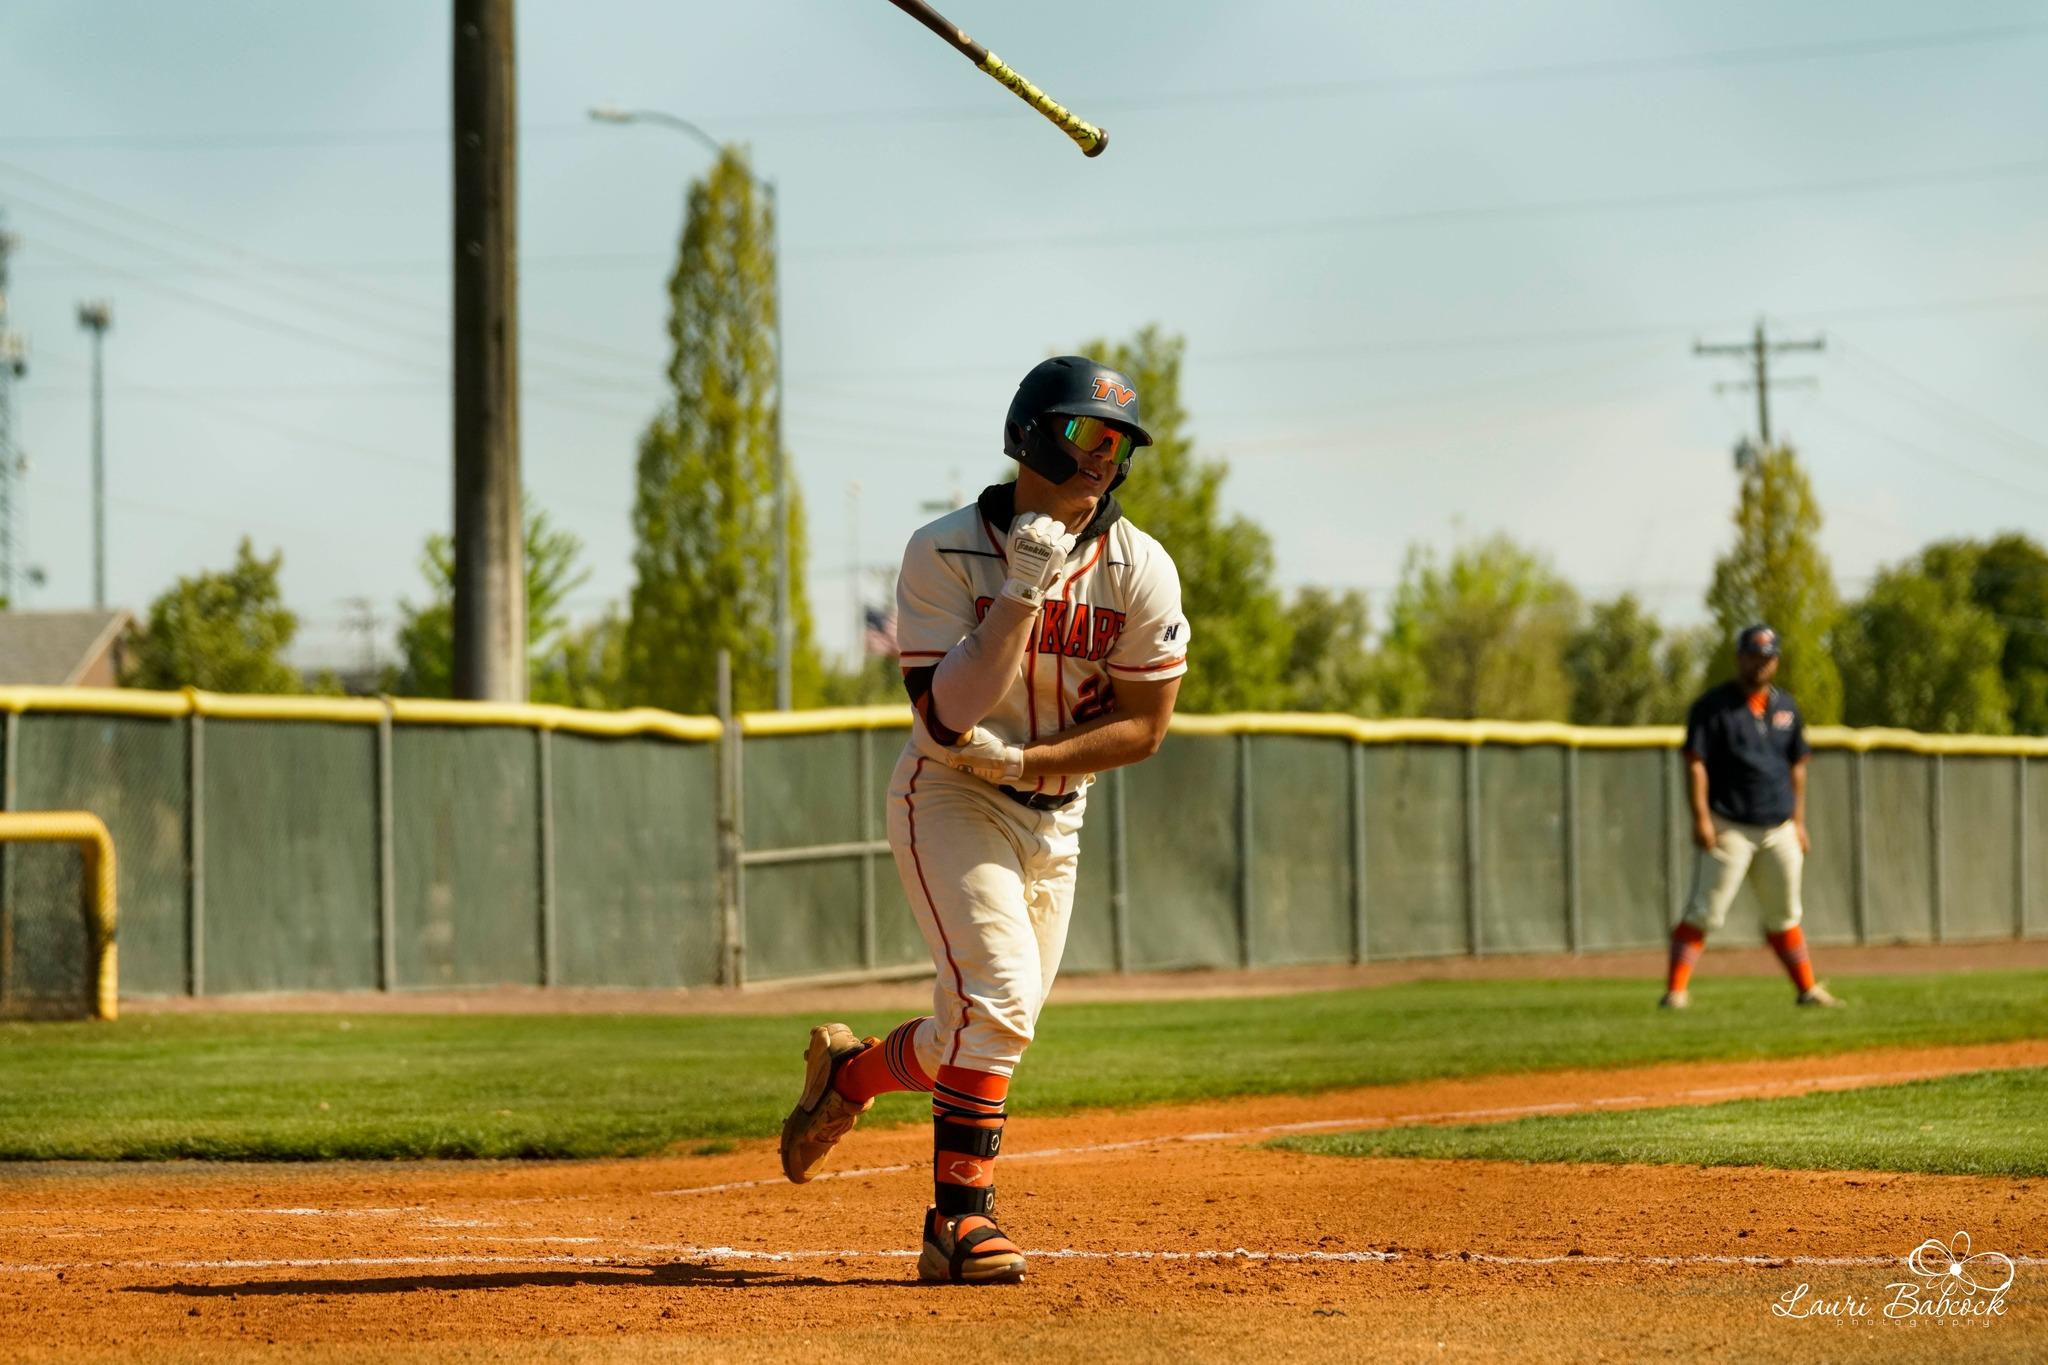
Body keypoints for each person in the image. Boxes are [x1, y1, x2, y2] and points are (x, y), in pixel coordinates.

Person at [777, 355, 1190, 1284]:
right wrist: (1018, 598)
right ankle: (957, 1224)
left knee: (977, 1026)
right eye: (1089, 431)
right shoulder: (942, 549)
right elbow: (950, 717)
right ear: (1034, 433)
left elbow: (1146, 726)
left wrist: (1033, 763)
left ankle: (847, 1076)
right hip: (950, 794)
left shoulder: (1138, 567)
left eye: (1120, 442)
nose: (1104, 456)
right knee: (995, 1007)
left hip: (1056, 814)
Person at [1662, 624, 1842, 1010]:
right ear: (1739, 658)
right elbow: (1696, 764)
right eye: (1752, 656)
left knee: (1785, 914)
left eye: (1767, 657)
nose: (1759, 664)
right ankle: (1675, 991)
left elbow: (1798, 768)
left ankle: (1807, 989)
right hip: (1729, 824)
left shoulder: (1786, 707)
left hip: (1779, 826)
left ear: (1775, 662)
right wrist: (1701, 818)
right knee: (1705, 912)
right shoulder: (1712, 707)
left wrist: (1800, 822)